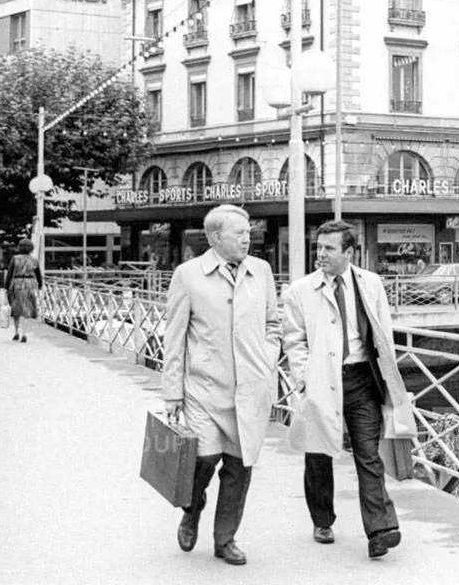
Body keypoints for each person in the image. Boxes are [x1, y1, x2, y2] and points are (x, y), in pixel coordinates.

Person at [282, 220, 415, 559]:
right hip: (322, 377)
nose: (321, 254)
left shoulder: (371, 283)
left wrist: (389, 376)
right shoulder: (301, 290)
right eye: (319, 247)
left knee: (368, 454)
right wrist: (304, 377)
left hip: (361, 378)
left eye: (329, 248)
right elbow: (293, 340)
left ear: (349, 252)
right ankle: (322, 519)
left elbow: (383, 332)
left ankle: (381, 530)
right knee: (319, 452)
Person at [161, 204, 280, 567]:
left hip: (248, 389)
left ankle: (225, 538)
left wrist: (266, 358)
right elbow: (174, 335)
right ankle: (192, 509)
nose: (248, 238)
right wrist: (172, 391)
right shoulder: (189, 275)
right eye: (239, 233)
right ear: (215, 237)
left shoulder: (261, 271)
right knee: (204, 458)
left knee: (239, 467)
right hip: (203, 389)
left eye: (249, 232)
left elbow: (273, 324)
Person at [4, 238, 42, 343]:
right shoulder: (34, 260)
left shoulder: (15, 258)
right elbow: (38, 275)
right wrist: (40, 286)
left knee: (16, 309)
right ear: (31, 248)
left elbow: (9, 274)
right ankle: (24, 334)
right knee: (26, 310)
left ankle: (16, 333)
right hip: (30, 285)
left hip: (16, 284)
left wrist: (6, 287)